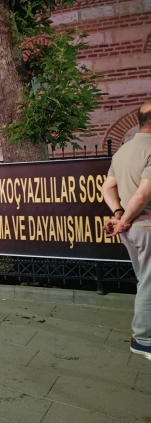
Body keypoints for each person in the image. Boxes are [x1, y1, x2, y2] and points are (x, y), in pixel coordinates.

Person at [103, 102, 151, 361]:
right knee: (149, 284)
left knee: (145, 280)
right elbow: (143, 194)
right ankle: (143, 340)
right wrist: (125, 218)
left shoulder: (123, 150)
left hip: (132, 230)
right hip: (146, 227)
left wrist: (119, 214)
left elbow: (107, 186)